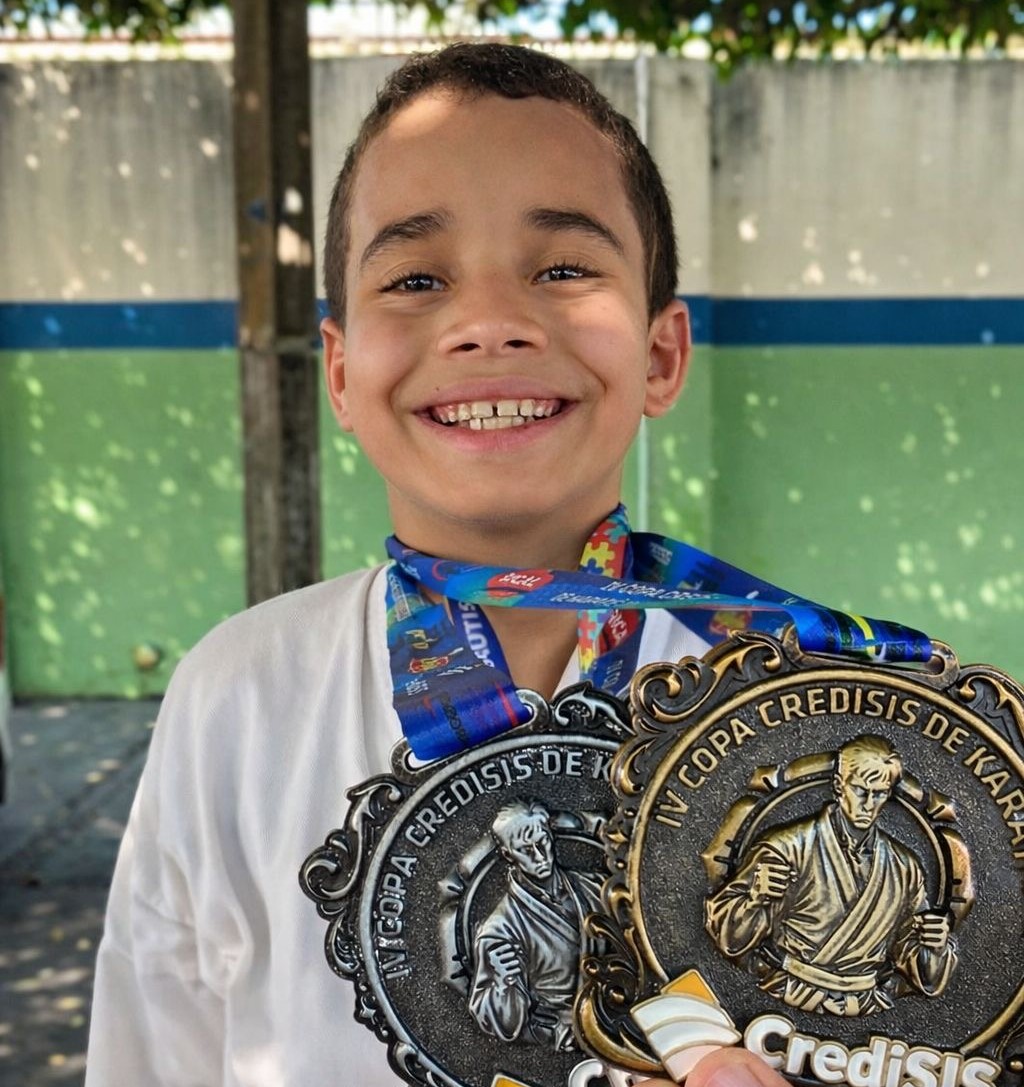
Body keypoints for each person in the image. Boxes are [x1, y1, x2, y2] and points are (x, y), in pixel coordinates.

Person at [85, 41, 793, 1087]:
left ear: (659, 354)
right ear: (340, 371)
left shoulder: (799, 698)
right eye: (415, 278)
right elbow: (151, 1053)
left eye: (563, 268)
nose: (489, 323)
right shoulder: (236, 696)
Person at [705, 735, 957, 1017]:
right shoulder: (786, 847)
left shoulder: (905, 866)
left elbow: (915, 963)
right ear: (839, 785)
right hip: (789, 993)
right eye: (860, 790)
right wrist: (755, 899)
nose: (868, 804)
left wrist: (934, 947)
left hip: (867, 1006)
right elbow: (729, 940)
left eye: (879, 794)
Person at [468, 800, 605, 1051]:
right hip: (570, 1042)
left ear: (551, 836)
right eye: (526, 850)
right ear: (508, 854)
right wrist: (504, 982)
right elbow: (503, 1025)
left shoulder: (595, 886)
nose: (540, 857)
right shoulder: (499, 931)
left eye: (542, 842)